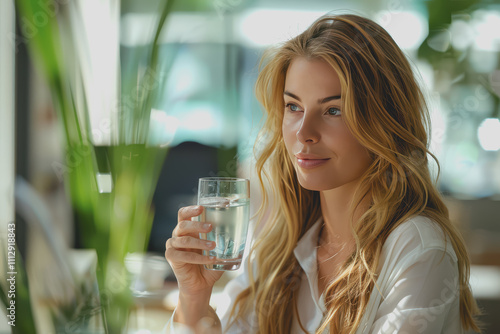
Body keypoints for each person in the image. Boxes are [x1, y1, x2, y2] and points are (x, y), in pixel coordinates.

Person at [163, 13, 482, 334]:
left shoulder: (418, 247)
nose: (304, 133)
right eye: (293, 107)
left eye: (332, 110)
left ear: (385, 122)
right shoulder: (277, 250)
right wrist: (194, 297)